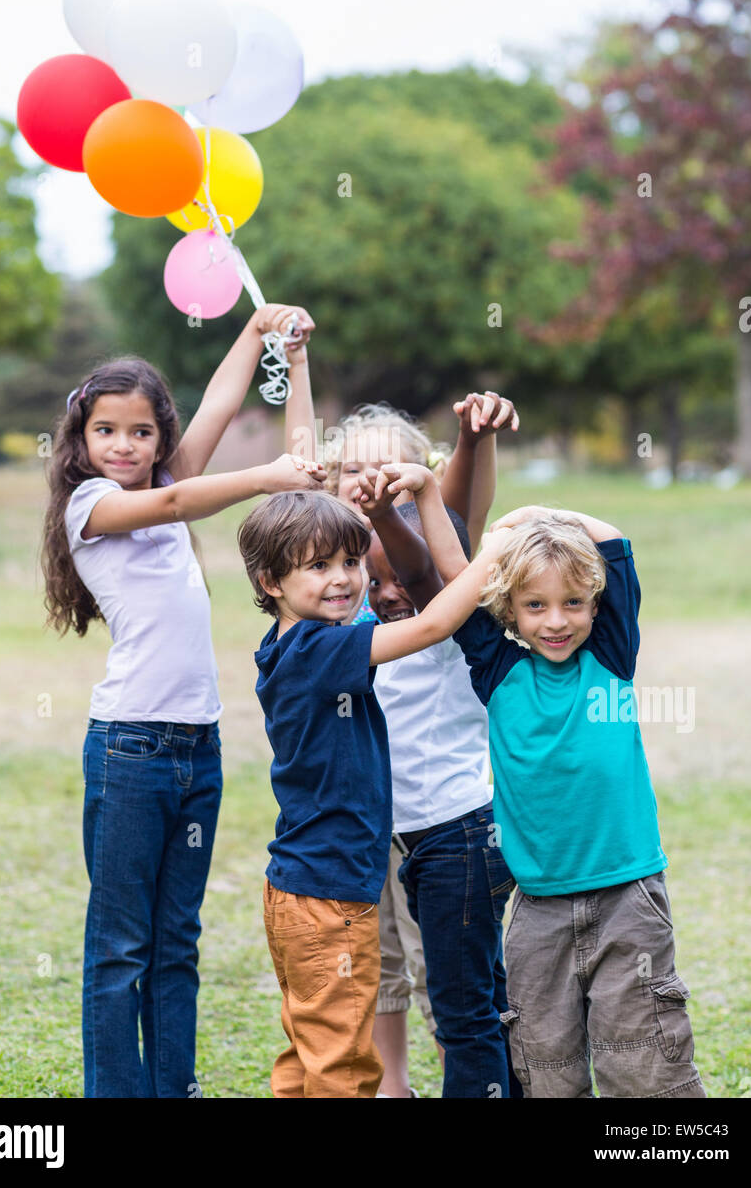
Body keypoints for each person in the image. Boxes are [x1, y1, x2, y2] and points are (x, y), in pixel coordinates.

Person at [41, 304, 325, 1098]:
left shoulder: (168, 475)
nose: (124, 446)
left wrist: (258, 331)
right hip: (130, 749)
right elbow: (175, 507)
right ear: (82, 441)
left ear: (159, 439)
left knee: (176, 940)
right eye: (107, 431)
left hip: (197, 750)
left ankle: (174, 1088)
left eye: (141, 432)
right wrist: (267, 477)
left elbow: (219, 408)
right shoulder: (91, 509)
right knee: (121, 947)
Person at [369, 476, 707, 1100]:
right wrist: (427, 497)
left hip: (627, 900)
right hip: (536, 910)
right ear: (509, 609)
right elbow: (449, 575)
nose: (557, 621)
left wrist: (541, 513)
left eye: (574, 603)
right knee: (544, 1067)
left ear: (596, 608)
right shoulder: (497, 670)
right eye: (536, 606)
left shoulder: (609, 656)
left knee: (643, 1062)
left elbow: (613, 543)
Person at [236, 478, 512, 1098]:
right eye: (318, 566)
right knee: (342, 1067)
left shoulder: (292, 643)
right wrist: (491, 558)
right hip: (328, 896)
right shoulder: (318, 647)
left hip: (305, 889)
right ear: (269, 582)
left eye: (351, 562)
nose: (344, 579)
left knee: (312, 1047)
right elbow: (435, 621)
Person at [294, 380, 517, 1094]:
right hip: (365, 813)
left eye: (389, 466)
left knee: (441, 965)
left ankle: (467, 1073)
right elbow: (295, 475)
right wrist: (296, 365)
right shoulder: (330, 580)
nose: (370, 479)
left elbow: (454, 507)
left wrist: (475, 439)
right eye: (354, 467)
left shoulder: (434, 565)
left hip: (441, 819)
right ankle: (393, 1087)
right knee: (375, 960)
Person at [357, 483, 522, 1099]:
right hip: (425, 845)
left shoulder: (449, 627)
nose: (387, 592)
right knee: (483, 999)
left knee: (463, 1016)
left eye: (395, 576)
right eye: (375, 581)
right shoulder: (384, 638)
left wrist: (380, 513)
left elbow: (425, 570)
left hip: (460, 841)